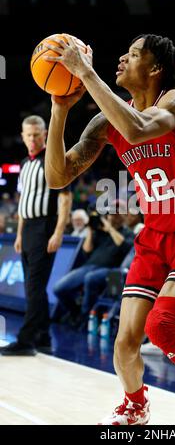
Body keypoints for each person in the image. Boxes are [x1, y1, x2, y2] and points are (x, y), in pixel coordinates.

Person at [43, 33, 175, 425]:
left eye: (133, 54)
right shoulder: (105, 121)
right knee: (124, 343)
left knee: (163, 327)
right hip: (154, 237)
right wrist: (59, 110)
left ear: (155, 69)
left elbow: (138, 129)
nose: (121, 58)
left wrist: (85, 73)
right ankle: (136, 405)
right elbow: (58, 176)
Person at [0, 115, 72, 356]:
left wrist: (59, 232)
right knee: (36, 287)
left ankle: (26, 340)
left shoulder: (52, 160)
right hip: (28, 228)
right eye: (28, 135)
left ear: (45, 134)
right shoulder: (24, 163)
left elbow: (65, 198)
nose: (32, 139)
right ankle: (43, 337)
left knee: (33, 287)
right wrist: (19, 234)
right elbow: (24, 201)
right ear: (22, 136)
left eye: (37, 134)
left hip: (45, 228)